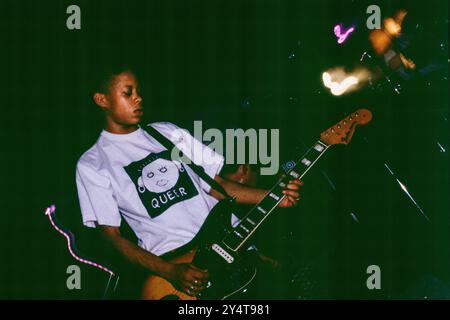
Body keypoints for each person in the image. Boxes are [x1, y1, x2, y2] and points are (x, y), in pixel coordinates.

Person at [75, 67, 302, 299]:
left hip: (236, 249)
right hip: (180, 264)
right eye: (128, 92)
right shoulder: (93, 163)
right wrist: (170, 271)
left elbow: (218, 186)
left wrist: (275, 197)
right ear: (101, 99)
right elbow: (112, 238)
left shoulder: (168, 133)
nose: (138, 98)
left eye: (139, 91)